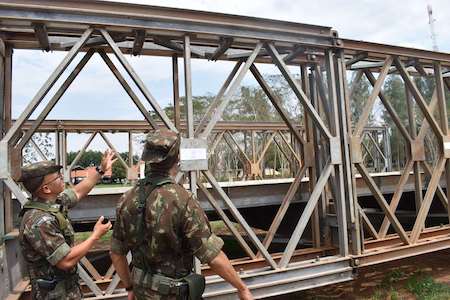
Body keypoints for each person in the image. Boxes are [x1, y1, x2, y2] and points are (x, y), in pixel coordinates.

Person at [111, 129, 253, 300]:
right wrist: (241, 287)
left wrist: (129, 288)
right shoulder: (183, 200)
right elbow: (211, 255)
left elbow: (116, 253)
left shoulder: (126, 199)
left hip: (142, 293)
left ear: (147, 156)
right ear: (177, 158)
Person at [19, 150, 116, 299]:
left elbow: (78, 192)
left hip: (66, 291)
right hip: (53, 295)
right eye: (57, 177)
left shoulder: (53, 202)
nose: (62, 178)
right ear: (46, 189)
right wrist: (95, 235)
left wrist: (101, 170)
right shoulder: (40, 221)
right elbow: (65, 261)